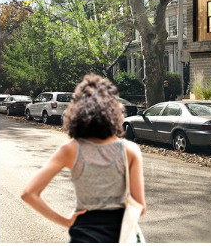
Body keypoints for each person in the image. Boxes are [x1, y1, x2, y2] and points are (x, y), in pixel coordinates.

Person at [21, 74, 146, 243]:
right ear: (113, 110)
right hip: (119, 235)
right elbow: (140, 207)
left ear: (77, 111)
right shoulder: (129, 150)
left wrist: (65, 221)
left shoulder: (70, 150)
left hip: (83, 235)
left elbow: (29, 194)